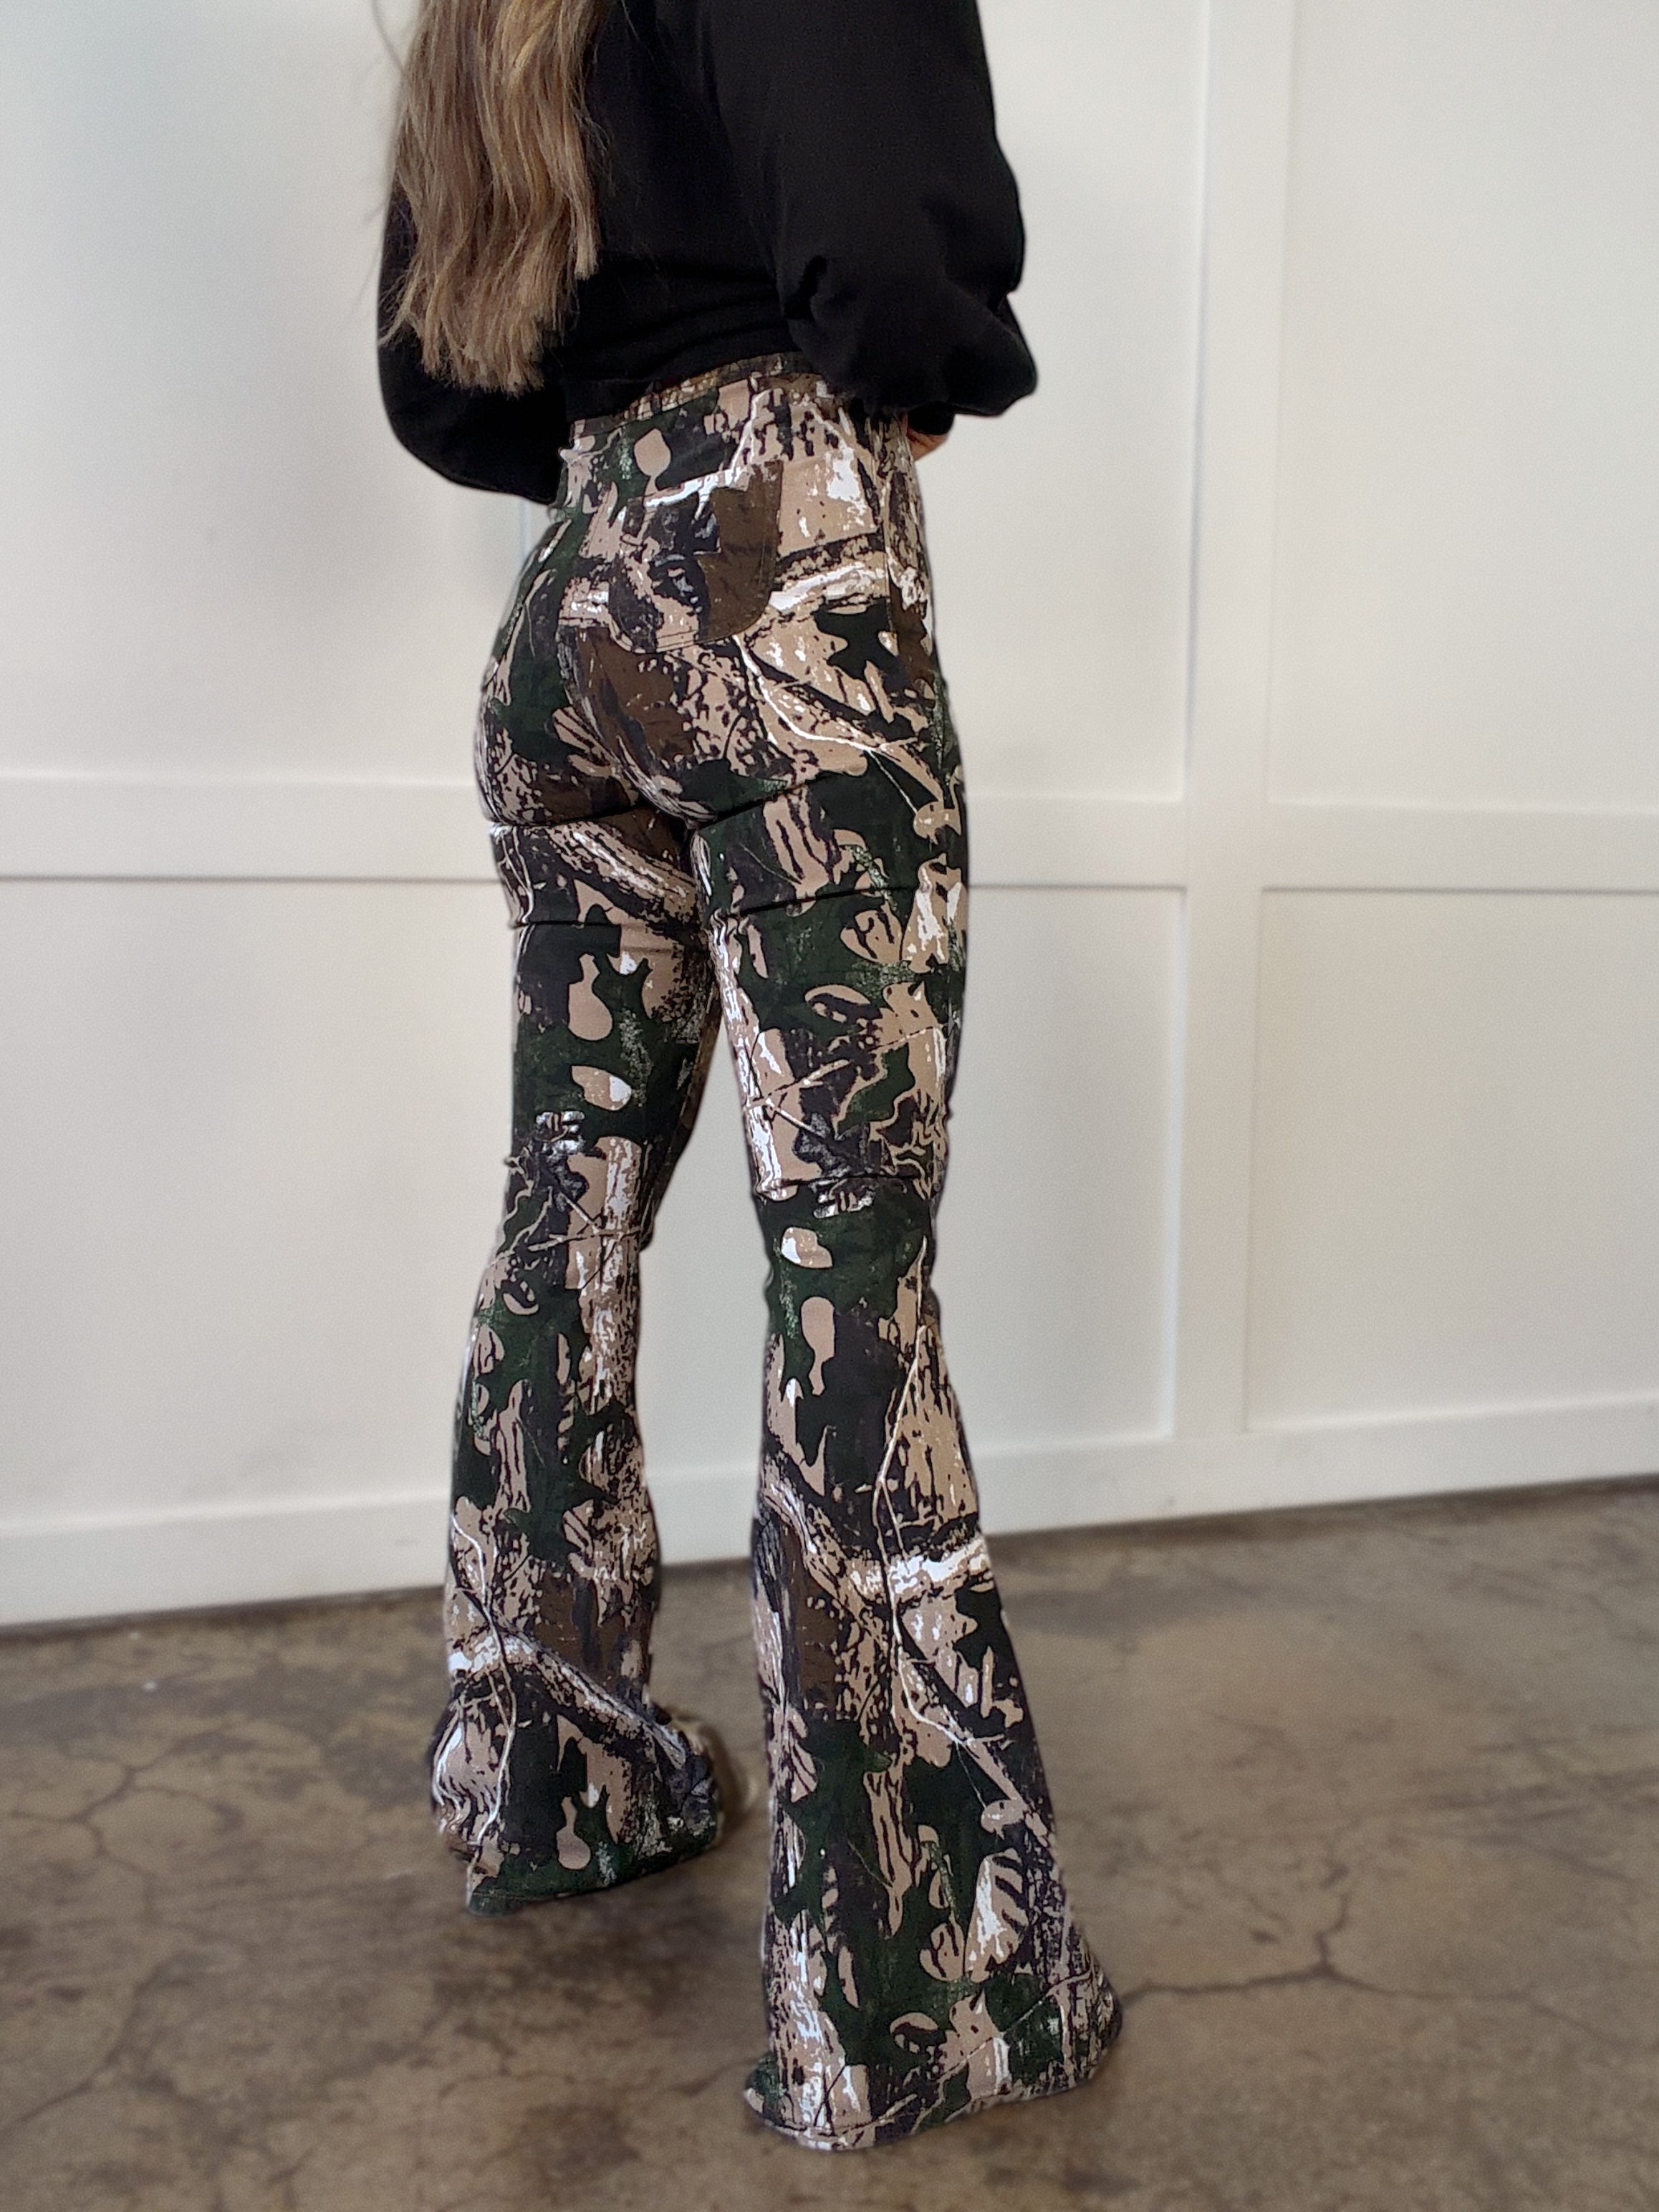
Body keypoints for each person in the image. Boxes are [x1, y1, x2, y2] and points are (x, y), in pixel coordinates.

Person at [377, 0, 1120, 2152]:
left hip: (570, 615)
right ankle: (908, 1984)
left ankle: (554, 1776)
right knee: (849, 1255)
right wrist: (902, 381)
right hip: (779, 568)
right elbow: (883, 240)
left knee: (568, 1203)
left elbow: (437, 374)